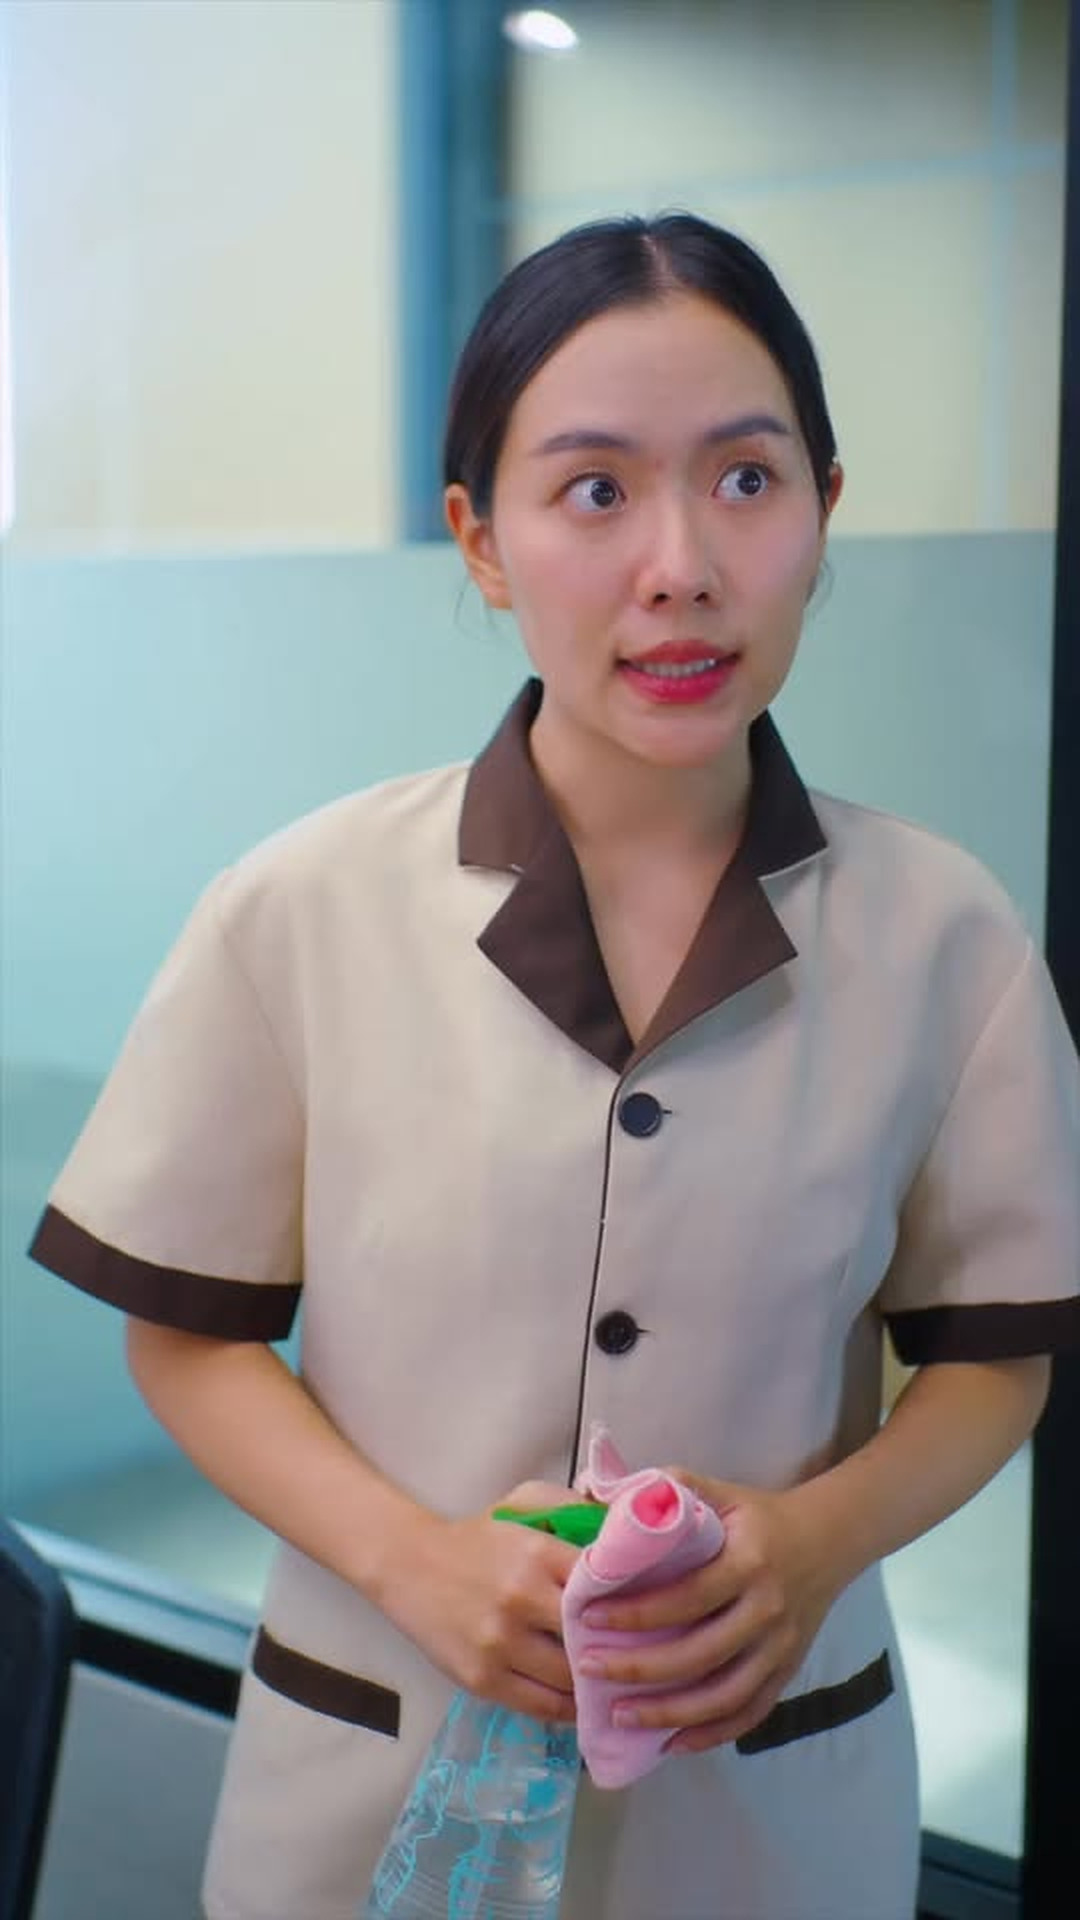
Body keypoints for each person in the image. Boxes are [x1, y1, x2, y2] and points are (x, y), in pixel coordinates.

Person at [29, 212, 1080, 1920]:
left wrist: (814, 1548)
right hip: (370, 1760)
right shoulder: (301, 908)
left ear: (824, 510)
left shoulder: (944, 933)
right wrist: (419, 1570)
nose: (681, 564)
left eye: (747, 481)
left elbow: (993, 1362)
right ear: (482, 539)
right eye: (595, 490)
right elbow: (188, 1331)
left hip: (766, 1805)